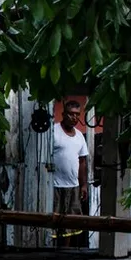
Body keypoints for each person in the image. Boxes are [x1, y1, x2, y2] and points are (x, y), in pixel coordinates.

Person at [52, 100, 90, 248]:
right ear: (63, 114)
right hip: (54, 185)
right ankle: (51, 251)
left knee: (70, 222)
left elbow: (82, 162)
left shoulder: (80, 136)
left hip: (73, 186)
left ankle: (65, 252)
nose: (74, 117)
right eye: (71, 114)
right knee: (54, 220)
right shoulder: (53, 131)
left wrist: (84, 185)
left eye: (77, 115)